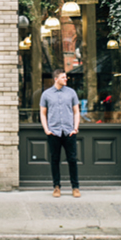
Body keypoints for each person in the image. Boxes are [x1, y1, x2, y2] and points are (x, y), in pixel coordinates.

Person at [40, 68, 81, 198]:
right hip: (54, 132)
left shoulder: (71, 93)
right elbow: (42, 113)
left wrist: (75, 128)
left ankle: (75, 187)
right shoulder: (46, 94)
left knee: (72, 160)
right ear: (56, 79)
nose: (66, 79)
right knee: (55, 160)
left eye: (66, 77)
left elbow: (76, 111)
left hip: (69, 132)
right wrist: (47, 129)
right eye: (63, 77)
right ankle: (56, 187)